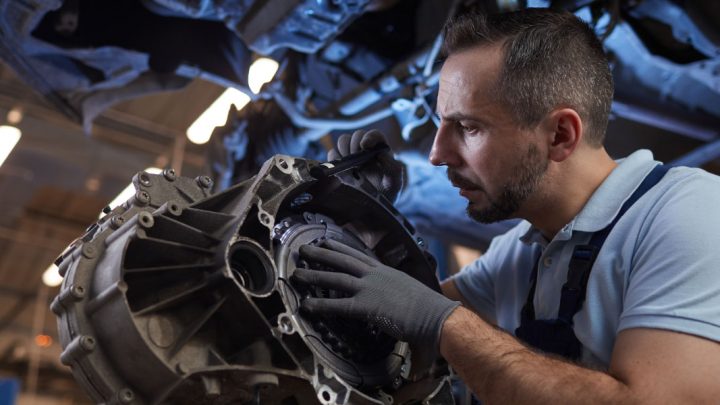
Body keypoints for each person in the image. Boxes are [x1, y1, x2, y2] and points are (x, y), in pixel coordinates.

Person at [292, 8, 720, 403]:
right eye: (441, 123)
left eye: (468, 127)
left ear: (560, 135)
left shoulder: (688, 212)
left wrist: (447, 324)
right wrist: (370, 217)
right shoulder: (520, 250)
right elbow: (402, 315)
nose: (437, 155)